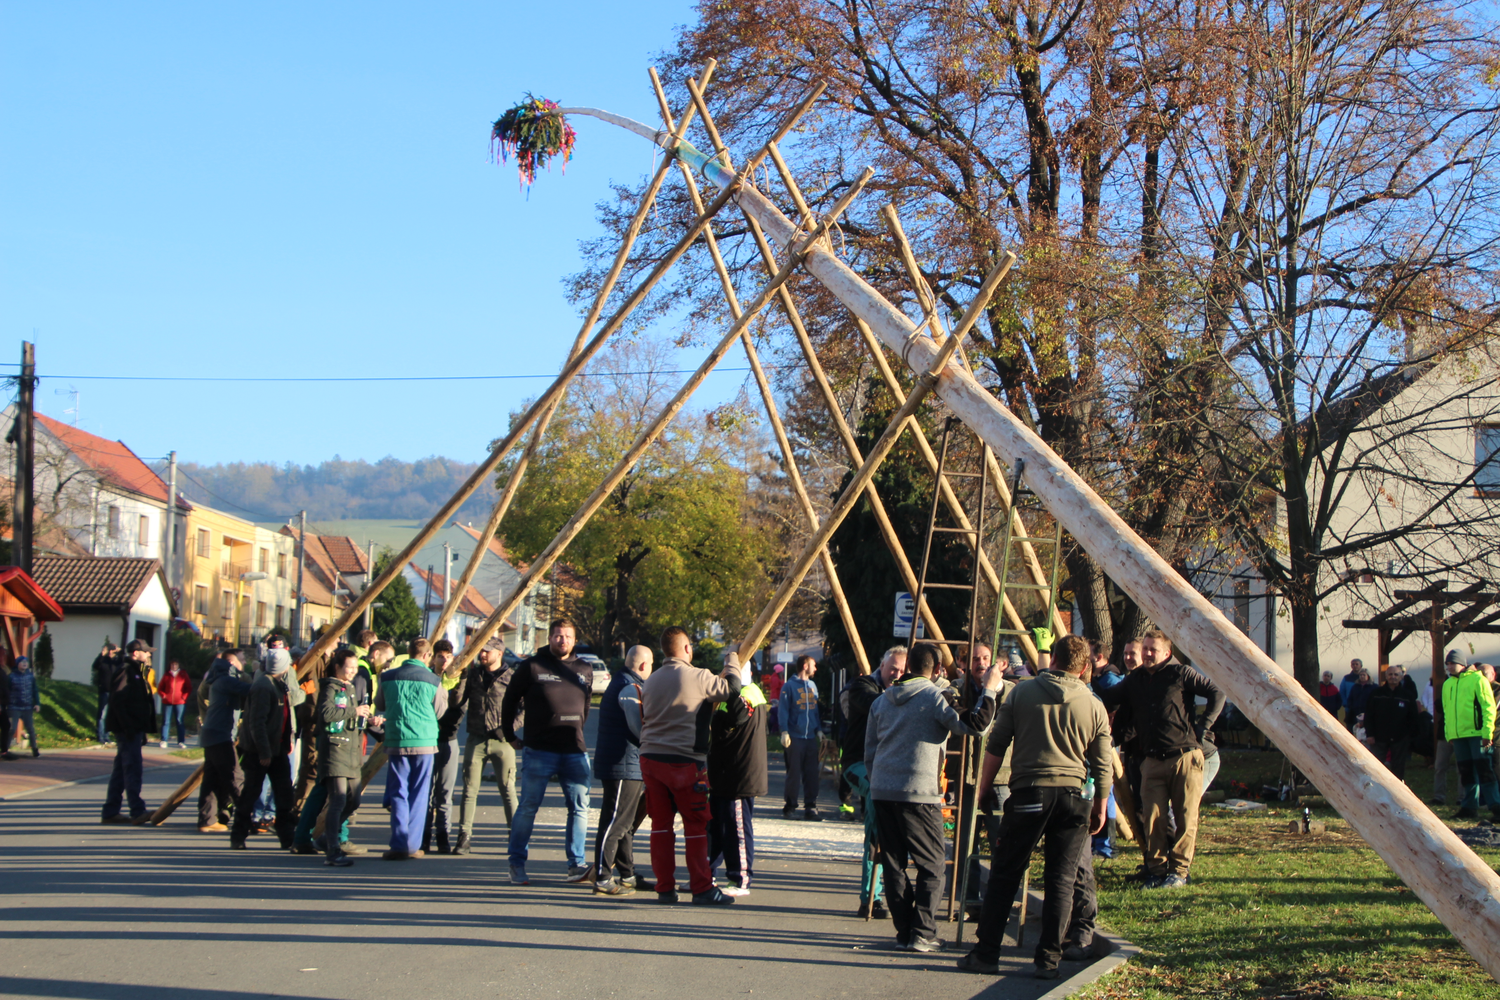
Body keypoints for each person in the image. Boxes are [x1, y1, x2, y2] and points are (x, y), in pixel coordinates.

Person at [960, 635, 1112, 979]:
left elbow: (996, 745)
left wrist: (984, 788)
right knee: (1061, 880)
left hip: (1029, 792)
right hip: (1073, 797)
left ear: (1052, 659)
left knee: (1005, 873)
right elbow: (1103, 764)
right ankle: (1048, 960)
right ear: (1084, 669)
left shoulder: (1022, 693)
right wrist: (1100, 805)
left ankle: (986, 953)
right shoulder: (1094, 705)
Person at [865, 642, 1001, 952]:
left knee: (894, 863)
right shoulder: (935, 698)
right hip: (919, 792)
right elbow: (976, 726)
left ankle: (905, 931)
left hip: (883, 789)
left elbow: (870, 749)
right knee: (933, 864)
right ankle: (923, 932)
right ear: (937, 670)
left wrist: (877, 782)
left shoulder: (882, 700)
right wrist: (990, 690)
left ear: (908, 667)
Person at [1099, 629, 1224, 888]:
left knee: (1185, 817)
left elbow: (1216, 692)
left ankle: (1179, 871)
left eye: (1152, 650)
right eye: (1145, 648)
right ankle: (1156, 870)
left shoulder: (1181, 673)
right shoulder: (1135, 680)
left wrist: (1204, 726)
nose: (1146, 654)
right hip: (1152, 760)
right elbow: (1108, 698)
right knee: (1152, 817)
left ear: (1167, 653)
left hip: (1184, 757)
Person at [639, 626, 742, 905]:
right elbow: (732, 689)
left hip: (651, 758)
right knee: (695, 826)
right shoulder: (698, 676)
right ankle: (701, 888)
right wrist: (732, 661)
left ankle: (665, 888)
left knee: (660, 826)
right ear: (687, 649)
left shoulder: (651, 680)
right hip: (685, 760)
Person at [502, 618, 595, 885]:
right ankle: (516, 863)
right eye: (558, 636)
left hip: (575, 750)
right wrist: (509, 735)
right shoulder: (532, 666)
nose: (562, 640)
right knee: (528, 807)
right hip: (539, 750)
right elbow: (509, 701)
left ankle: (576, 865)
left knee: (579, 808)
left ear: (574, 640)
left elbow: (586, 706)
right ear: (550, 638)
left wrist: (575, 730)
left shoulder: (584, 668)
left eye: (568, 636)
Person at [840, 645, 906, 918]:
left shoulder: (904, 691)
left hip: (890, 769)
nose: (897, 675)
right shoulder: (862, 686)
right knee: (875, 818)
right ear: (882, 666)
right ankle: (870, 896)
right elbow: (874, 704)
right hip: (858, 764)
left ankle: (894, 890)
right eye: (893, 669)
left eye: (902, 671)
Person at [592, 644, 654, 895]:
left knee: (626, 823)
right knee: (615, 822)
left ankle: (627, 874)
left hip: (626, 763)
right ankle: (602, 876)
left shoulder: (622, 682)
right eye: (651, 665)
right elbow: (639, 728)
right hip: (623, 764)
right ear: (643, 665)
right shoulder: (630, 688)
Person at [376, 637, 445, 859]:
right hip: (424, 741)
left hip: (397, 739)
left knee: (399, 791)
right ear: (426, 655)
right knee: (419, 793)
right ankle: (412, 845)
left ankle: (398, 843)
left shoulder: (387, 677)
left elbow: (380, 704)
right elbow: (440, 711)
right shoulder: (433, 680)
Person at [707, 650, 768, 897]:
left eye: (730, 669)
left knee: (737, 829)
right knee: (715, 828)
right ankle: (705, 874)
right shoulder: (731, 693)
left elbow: (739, 714)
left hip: (739, 778)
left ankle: (741, 878)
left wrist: (733, 684)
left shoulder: (749, 693)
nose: (725, 672)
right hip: (722, 775)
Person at [448, 643, 518, 856]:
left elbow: (526, 707)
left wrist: (510, 728)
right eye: (482, 650)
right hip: (476, 739)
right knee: (469, 790)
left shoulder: (511, 677)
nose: (483, 654)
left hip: (502, 741)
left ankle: (515, 836)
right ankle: (464, 836)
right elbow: (456, 702)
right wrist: (461, 677)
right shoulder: (474, 675)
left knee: (508, 789)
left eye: (488, 650)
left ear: (500, 653)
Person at [230, 648, 304, 849]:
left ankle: (287, 837)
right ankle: (238, 836)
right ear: (284, 666)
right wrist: (264, 751)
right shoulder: (264, 686)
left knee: (284, 795)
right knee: (251, 793)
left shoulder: (277, 684)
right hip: (261, 751)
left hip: (277, 748)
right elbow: (257, 722)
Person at [315, 647, 377, 867]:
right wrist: (355, 711)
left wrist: (369, 720)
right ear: (337, 667)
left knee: (354, 800)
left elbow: (350, 718)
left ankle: (326, 838)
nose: (352, 671)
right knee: (338, 799)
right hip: (335, 751)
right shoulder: (330, 688)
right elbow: (327, 714)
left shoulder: (348, 687)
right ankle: (333, 851)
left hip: (351, 753)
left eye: (355, 668)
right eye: (348, 667)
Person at [101, 640, 158, 824]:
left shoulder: (137, 671)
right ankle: (137, 810)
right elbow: (117, 701)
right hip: (127, 730)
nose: (149, 654)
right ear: (135, 653)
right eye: (146, 651)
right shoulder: (126, 671)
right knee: (132, 768)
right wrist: (128, 727)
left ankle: (111, 811)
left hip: (134, 728)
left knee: (120, 771)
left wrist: (142, 729)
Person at [196, 649, 251, 833]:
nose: (244, 663)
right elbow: (252, 690)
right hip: (220, 736)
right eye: (241, 660)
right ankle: (247, 819)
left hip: (212, 735)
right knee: (236, 777)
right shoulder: (227, 681)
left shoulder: (217, 679)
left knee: (211, 780)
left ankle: (207, 820)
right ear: (232, 664)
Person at [1441, 650, 1498, 820]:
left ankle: (1496, 806)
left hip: (1478, 734)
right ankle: (1469, 807)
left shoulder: (1478, 679)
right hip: (1459, 736)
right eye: (1447, 664)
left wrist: (1487, 732)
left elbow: (1488, 707)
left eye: (1452, 663)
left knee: (1484, 769)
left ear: (1462, 663)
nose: (1449, 666)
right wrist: (1450, 734)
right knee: (1466, 772)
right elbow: (1447, 711)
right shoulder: (1448, 684)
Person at [421, 639, 462, 854]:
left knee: (445, 792)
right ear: (433, 658)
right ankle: (424, 836)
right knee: (427, 792)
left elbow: (459, 709)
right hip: (428, 740)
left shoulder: (457, 679)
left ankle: (443, 836)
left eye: (448, 656)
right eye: (440, 656)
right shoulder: (427, 678)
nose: (444, 660)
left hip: (449, 739)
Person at [778, 655, 822, 820]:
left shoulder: (813, 686)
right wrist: (784, 731)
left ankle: (811, 806)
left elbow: (815, 711)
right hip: (795, 736)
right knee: (794, 773)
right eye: (813, 665)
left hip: (810, 737)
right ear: (805, 666)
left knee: (812, 773)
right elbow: (783, 710)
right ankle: (790, 806)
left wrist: (818, 730)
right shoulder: (789, 686)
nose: (815, 668)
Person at [1365, 665, 1421, 781]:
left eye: (1396, 674)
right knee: (1376, 766)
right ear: (1386, 676)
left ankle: (1396, 789)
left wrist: (1408, 736)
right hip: (1379, 737)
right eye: (1390, 674)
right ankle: (1376, 787)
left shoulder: (1407, 696)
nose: (1393, 677)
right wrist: (1370, 734)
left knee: (1398, 767)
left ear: (1401, 677)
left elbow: (1413, 717)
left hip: (1400, 738)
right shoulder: (1376, 694)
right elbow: (1369, 715)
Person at [157, 659, 191, 749]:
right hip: (167, 702)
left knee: (180, 721)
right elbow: (160, 688)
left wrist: (184, 697)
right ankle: (164, 740)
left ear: (179, 665)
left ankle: (181, 741)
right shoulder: (167, 674)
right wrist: (164, 695)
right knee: (166, 721)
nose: (174, 666)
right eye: (172, 664)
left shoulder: (183, 674)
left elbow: (188, 687)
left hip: (180, 702)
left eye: (176, 664)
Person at [8, 656, 37, 757]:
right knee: (12, 728)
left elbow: (34, 690)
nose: (25, 663)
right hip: (14, 707)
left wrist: (37, 703)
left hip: (27, 707)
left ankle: (35, 749)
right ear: (18, 664)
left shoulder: (30, 676)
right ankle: (5, 749)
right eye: (22, 662)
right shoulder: (11, 676)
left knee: (30, 729)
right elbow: (6, 690)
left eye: (26, 662)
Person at [92, 641, 118, 744]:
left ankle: (107, 736)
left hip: (114, 691)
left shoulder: (117, 661)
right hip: (104, 690)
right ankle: (100, 736)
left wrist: (119, 651)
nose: (111, 652)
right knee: (102, 714)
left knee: (110, 715)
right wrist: (101, 655)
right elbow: (95, 666)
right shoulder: (103, 660)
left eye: (113, 651)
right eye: (109, 650)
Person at [1345, 670, 1376, 738]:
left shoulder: (1374, 687)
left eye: (1364, 675)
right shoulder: (1355, 686)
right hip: (1355, 713)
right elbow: (1350, 698)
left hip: (1367, 713)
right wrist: (1350, 706)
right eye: (1360, 675)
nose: (1362, 676)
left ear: (1368, 676)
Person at [1339, 659, 1364, 730]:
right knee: (1350, 728)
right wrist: (1345, 703)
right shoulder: (1346, 678)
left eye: (1357, 664)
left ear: (1361, 666)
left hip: (1362, 708)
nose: (1355, 666)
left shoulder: (1364, 678)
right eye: (1353, 664)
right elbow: (1342, 691)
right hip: (1350, 708)